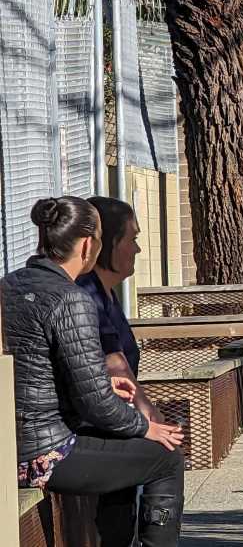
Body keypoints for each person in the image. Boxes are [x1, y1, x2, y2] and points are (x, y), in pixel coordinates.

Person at [5, 197, 185, 547]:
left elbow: (36, 374)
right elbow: (96, 406)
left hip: (14, 444)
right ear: (88, 245)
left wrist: (103, 385)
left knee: (122, 449)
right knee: (165, 455)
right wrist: (147, 427)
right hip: (45, 453)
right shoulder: (72, 299)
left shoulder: (8, 286)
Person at [76, 196, 166, 545]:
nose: (139, 248)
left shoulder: (105, 292)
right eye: (132, 238)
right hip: (90, 424)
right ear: (106, 244)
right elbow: (116, 363)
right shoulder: (86, 293)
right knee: (161, 455)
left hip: (110, 419)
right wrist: (151, 419)